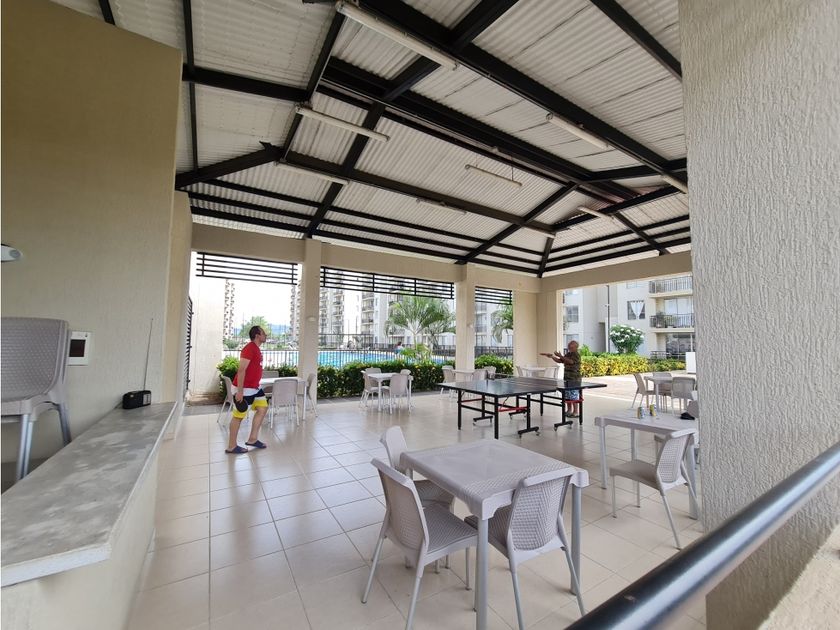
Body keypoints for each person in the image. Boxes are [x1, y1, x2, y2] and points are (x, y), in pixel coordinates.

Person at [226, 326, 269, 454]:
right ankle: (231, 446)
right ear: (257, 335)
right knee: (238, 417)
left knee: (263, 408)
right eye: (263, 333)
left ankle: (252, 439)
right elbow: (241, 370)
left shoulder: (256, 349)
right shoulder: (249, 348)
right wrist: (240, 392)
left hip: (254, 387)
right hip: (245, 388)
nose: (266, 335)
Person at [540, 340, 582, 417]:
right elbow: (560, 361)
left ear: (575, 347)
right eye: (569, 345)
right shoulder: (568, 354)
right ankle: (569, 410)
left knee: (574, 395)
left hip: (574, 379)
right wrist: (552, 357)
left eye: (571, 345)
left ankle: (576, 412)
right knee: (567, 395)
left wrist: (560, 355)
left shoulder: (576, 354)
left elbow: (571, 362)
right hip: (567, 378)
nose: (569, 346)